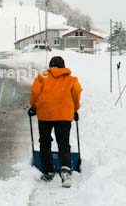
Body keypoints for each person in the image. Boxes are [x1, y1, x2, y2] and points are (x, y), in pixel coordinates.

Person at [28, 56, 82, 188]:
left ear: (50, 66)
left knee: (45, 141)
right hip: (64, 114)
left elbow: (35, 92)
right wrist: (74, 109)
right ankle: (65, 172)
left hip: (45, 114)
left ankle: (48, 171)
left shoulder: (42, 77)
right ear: (62, 66)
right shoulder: (71, 79)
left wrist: (33, 107)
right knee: (63, 142)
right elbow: (76, 92)